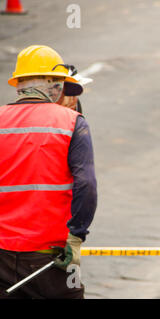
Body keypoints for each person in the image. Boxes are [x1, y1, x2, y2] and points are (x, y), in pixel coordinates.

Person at [0, 45, 97, 299]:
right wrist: (76, 237)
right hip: (50, 258)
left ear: (19, 83)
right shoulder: (72, 122)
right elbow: (86, 185)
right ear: (53, 83)